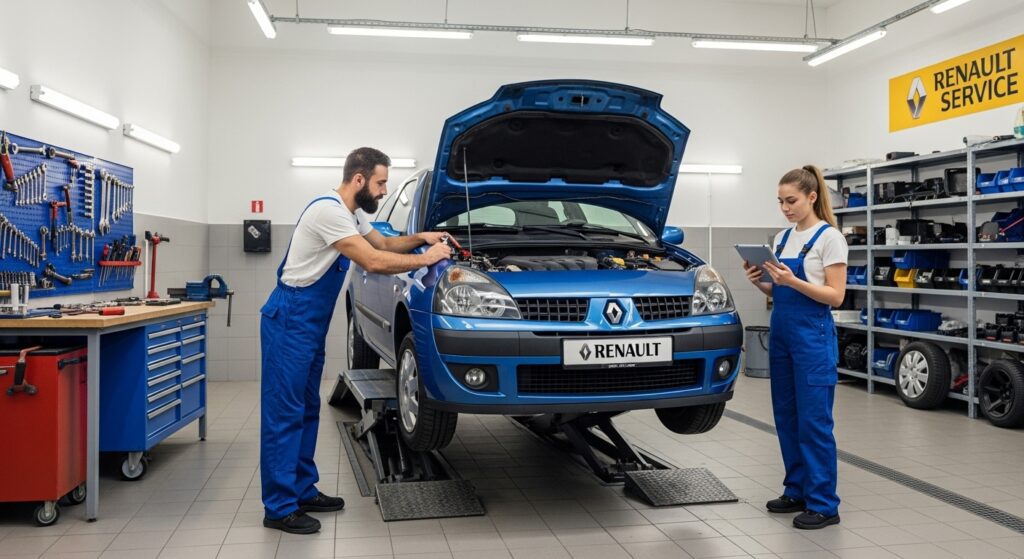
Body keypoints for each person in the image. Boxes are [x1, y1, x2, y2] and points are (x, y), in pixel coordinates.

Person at [259, 147, 451, 534]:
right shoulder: (330, 212)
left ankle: (301, 488)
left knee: (307, 407)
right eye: (380, 182)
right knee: (284, 413)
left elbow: (383, 244)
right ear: (359, 179)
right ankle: (279, 508)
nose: (384, 190)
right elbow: (374, 262)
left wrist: (420, 238)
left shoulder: (352, 214)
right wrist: (427, 258)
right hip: (290, 320)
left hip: (307, 325)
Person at [744, 165, 848, 530]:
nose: (785, 208)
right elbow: (780, 291)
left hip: (812, 338)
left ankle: (824, 504)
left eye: (792, 201)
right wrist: (762, 283)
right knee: (787, 418)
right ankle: (797, 490)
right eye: (780, 202)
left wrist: (793, 281)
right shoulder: (783, 238)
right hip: (783, 334)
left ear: (812, 197)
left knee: (814, 422)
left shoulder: (829, 238)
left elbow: (835, 296)